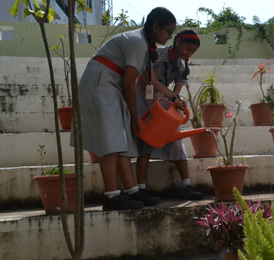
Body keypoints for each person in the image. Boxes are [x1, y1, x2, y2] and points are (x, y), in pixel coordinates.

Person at [72, 7, 177, 211]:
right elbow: (129, 84)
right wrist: (135, 117)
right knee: (112, 138)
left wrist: (175, 97)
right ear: (155, 27)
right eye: (168, 31)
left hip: (111, 84)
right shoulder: (138, 43)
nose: (170, 36)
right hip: (101, 82)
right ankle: (111, 196)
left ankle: (131, 191)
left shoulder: (145, 45)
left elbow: (151, 80)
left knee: (124, 140)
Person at [135, 30, 203, 200]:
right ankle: (140, 188)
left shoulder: (180, 65)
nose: (188, 54)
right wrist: (153, 99)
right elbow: (144, 82)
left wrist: (176, 103)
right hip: (144, 97)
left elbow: (176, 91)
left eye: (192, 52)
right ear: (178, 42)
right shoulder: (155, 55)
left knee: (176, 140)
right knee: (147, 140)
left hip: (162, 99)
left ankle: (186, 185)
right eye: (187, 49)